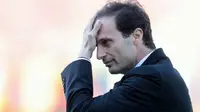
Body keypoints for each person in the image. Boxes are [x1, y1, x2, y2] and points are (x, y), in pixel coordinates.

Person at [61, 1, 193, 112]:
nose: (99, 55)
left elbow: (79, 109)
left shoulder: (150, 80)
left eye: (106, 42)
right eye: (95, 46)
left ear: (137, 35)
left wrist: (84, 54)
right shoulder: (157, 75)